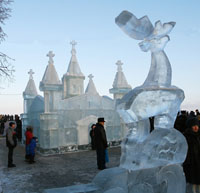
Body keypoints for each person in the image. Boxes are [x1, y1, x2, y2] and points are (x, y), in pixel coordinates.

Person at [183, 117, 200, 193]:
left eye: (197, 125)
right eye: (194, 125)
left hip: (198, 161)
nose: (196, 127)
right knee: (192, 181)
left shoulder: (199, 135)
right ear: (190, 126)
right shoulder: (186, 136)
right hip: (191, 163)